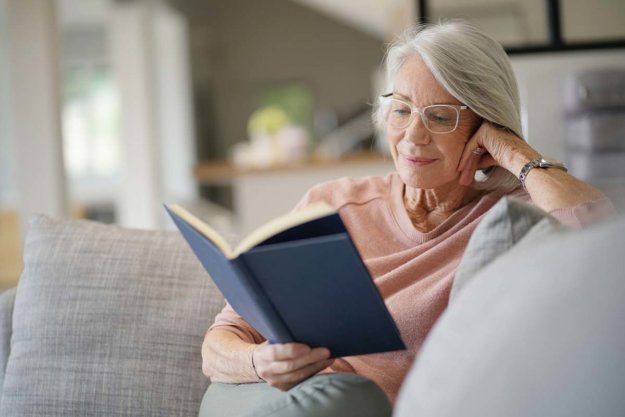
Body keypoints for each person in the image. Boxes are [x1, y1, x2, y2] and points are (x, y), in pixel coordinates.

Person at [198, 21, 614, 417]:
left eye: (439, 116)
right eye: (402, 110)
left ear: (485, 126)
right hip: (281, 400)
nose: (413, 135)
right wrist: (261, 362)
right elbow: (221, 341)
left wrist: (515, 152)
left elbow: (604, 242)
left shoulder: (511, 217)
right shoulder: (331, 203)